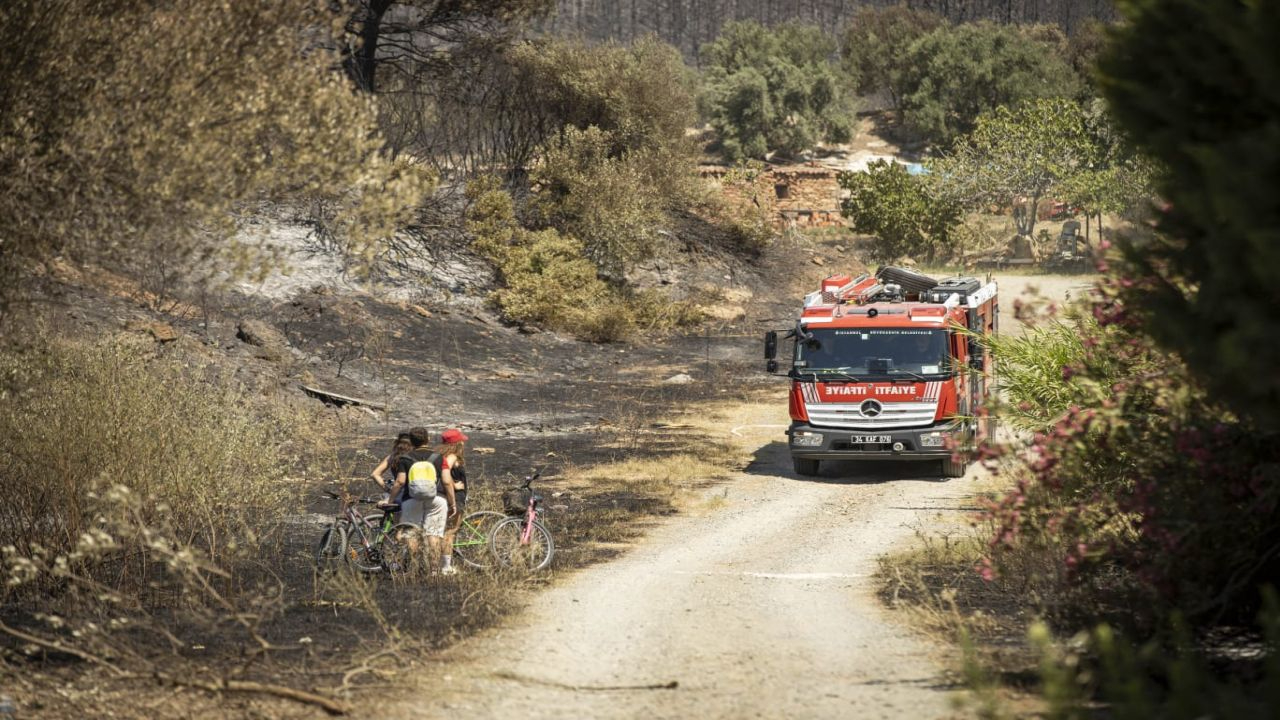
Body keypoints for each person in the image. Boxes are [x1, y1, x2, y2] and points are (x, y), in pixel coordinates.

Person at [382, 427, 450, 567]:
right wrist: (453, 502)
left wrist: (390, 500)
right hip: (436, 498)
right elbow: (447, 481)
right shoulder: (439, 457)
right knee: (434, 534)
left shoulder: (405, 458)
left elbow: (400, 481)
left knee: (411, 533)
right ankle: (434, 570)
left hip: (411, 499)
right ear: (428, 439)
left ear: (411, 442)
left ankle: (414, 567)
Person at [435, 428, 469, 575]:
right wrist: (455, 485)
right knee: (450, 532)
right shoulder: (452, 456)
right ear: (456, 444)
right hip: (454, 497)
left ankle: (442, 565)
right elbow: (445, 474)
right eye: (461, 441)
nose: (463, 443)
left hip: (446, 497)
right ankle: (446, 567)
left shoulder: (440, 456)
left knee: (444, 531)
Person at [370, 432, 412, 501]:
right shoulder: (414, 457)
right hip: (413, 493)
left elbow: (375, 474)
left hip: (398, 493)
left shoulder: (392, 457)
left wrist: (388, 490)